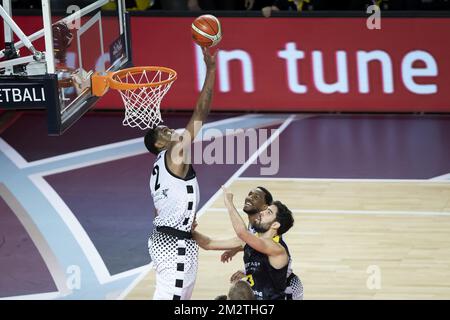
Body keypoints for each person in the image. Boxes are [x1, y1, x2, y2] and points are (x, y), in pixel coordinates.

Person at [145, 46, 216, 300]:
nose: (170, 131)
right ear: (159, 145)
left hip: (168, 239)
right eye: (164, 132)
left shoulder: (158, 169)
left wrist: (184, 217)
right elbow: (200, 114)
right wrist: (210, 70)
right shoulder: (174, 153)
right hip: (174, 245)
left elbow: (159, 209)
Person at [193, 186, 294, 300]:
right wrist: (190, 230)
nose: (262, 213)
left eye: (268, 212)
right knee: (233, 294)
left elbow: (242, 232)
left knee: (238, 290)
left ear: (275, 225)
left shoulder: (276, 248)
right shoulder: (250, 240)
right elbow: (208, 243)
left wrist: (229, 203)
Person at [221, 187, 304, 300]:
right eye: (250, 194)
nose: (249, 198)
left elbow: (244, 235)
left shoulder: (271, 235)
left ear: (264, 205)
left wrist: (229, 203)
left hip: (287, 284)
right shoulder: (256, 225)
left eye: (255, 197)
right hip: (265, 283)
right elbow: (209, 243)